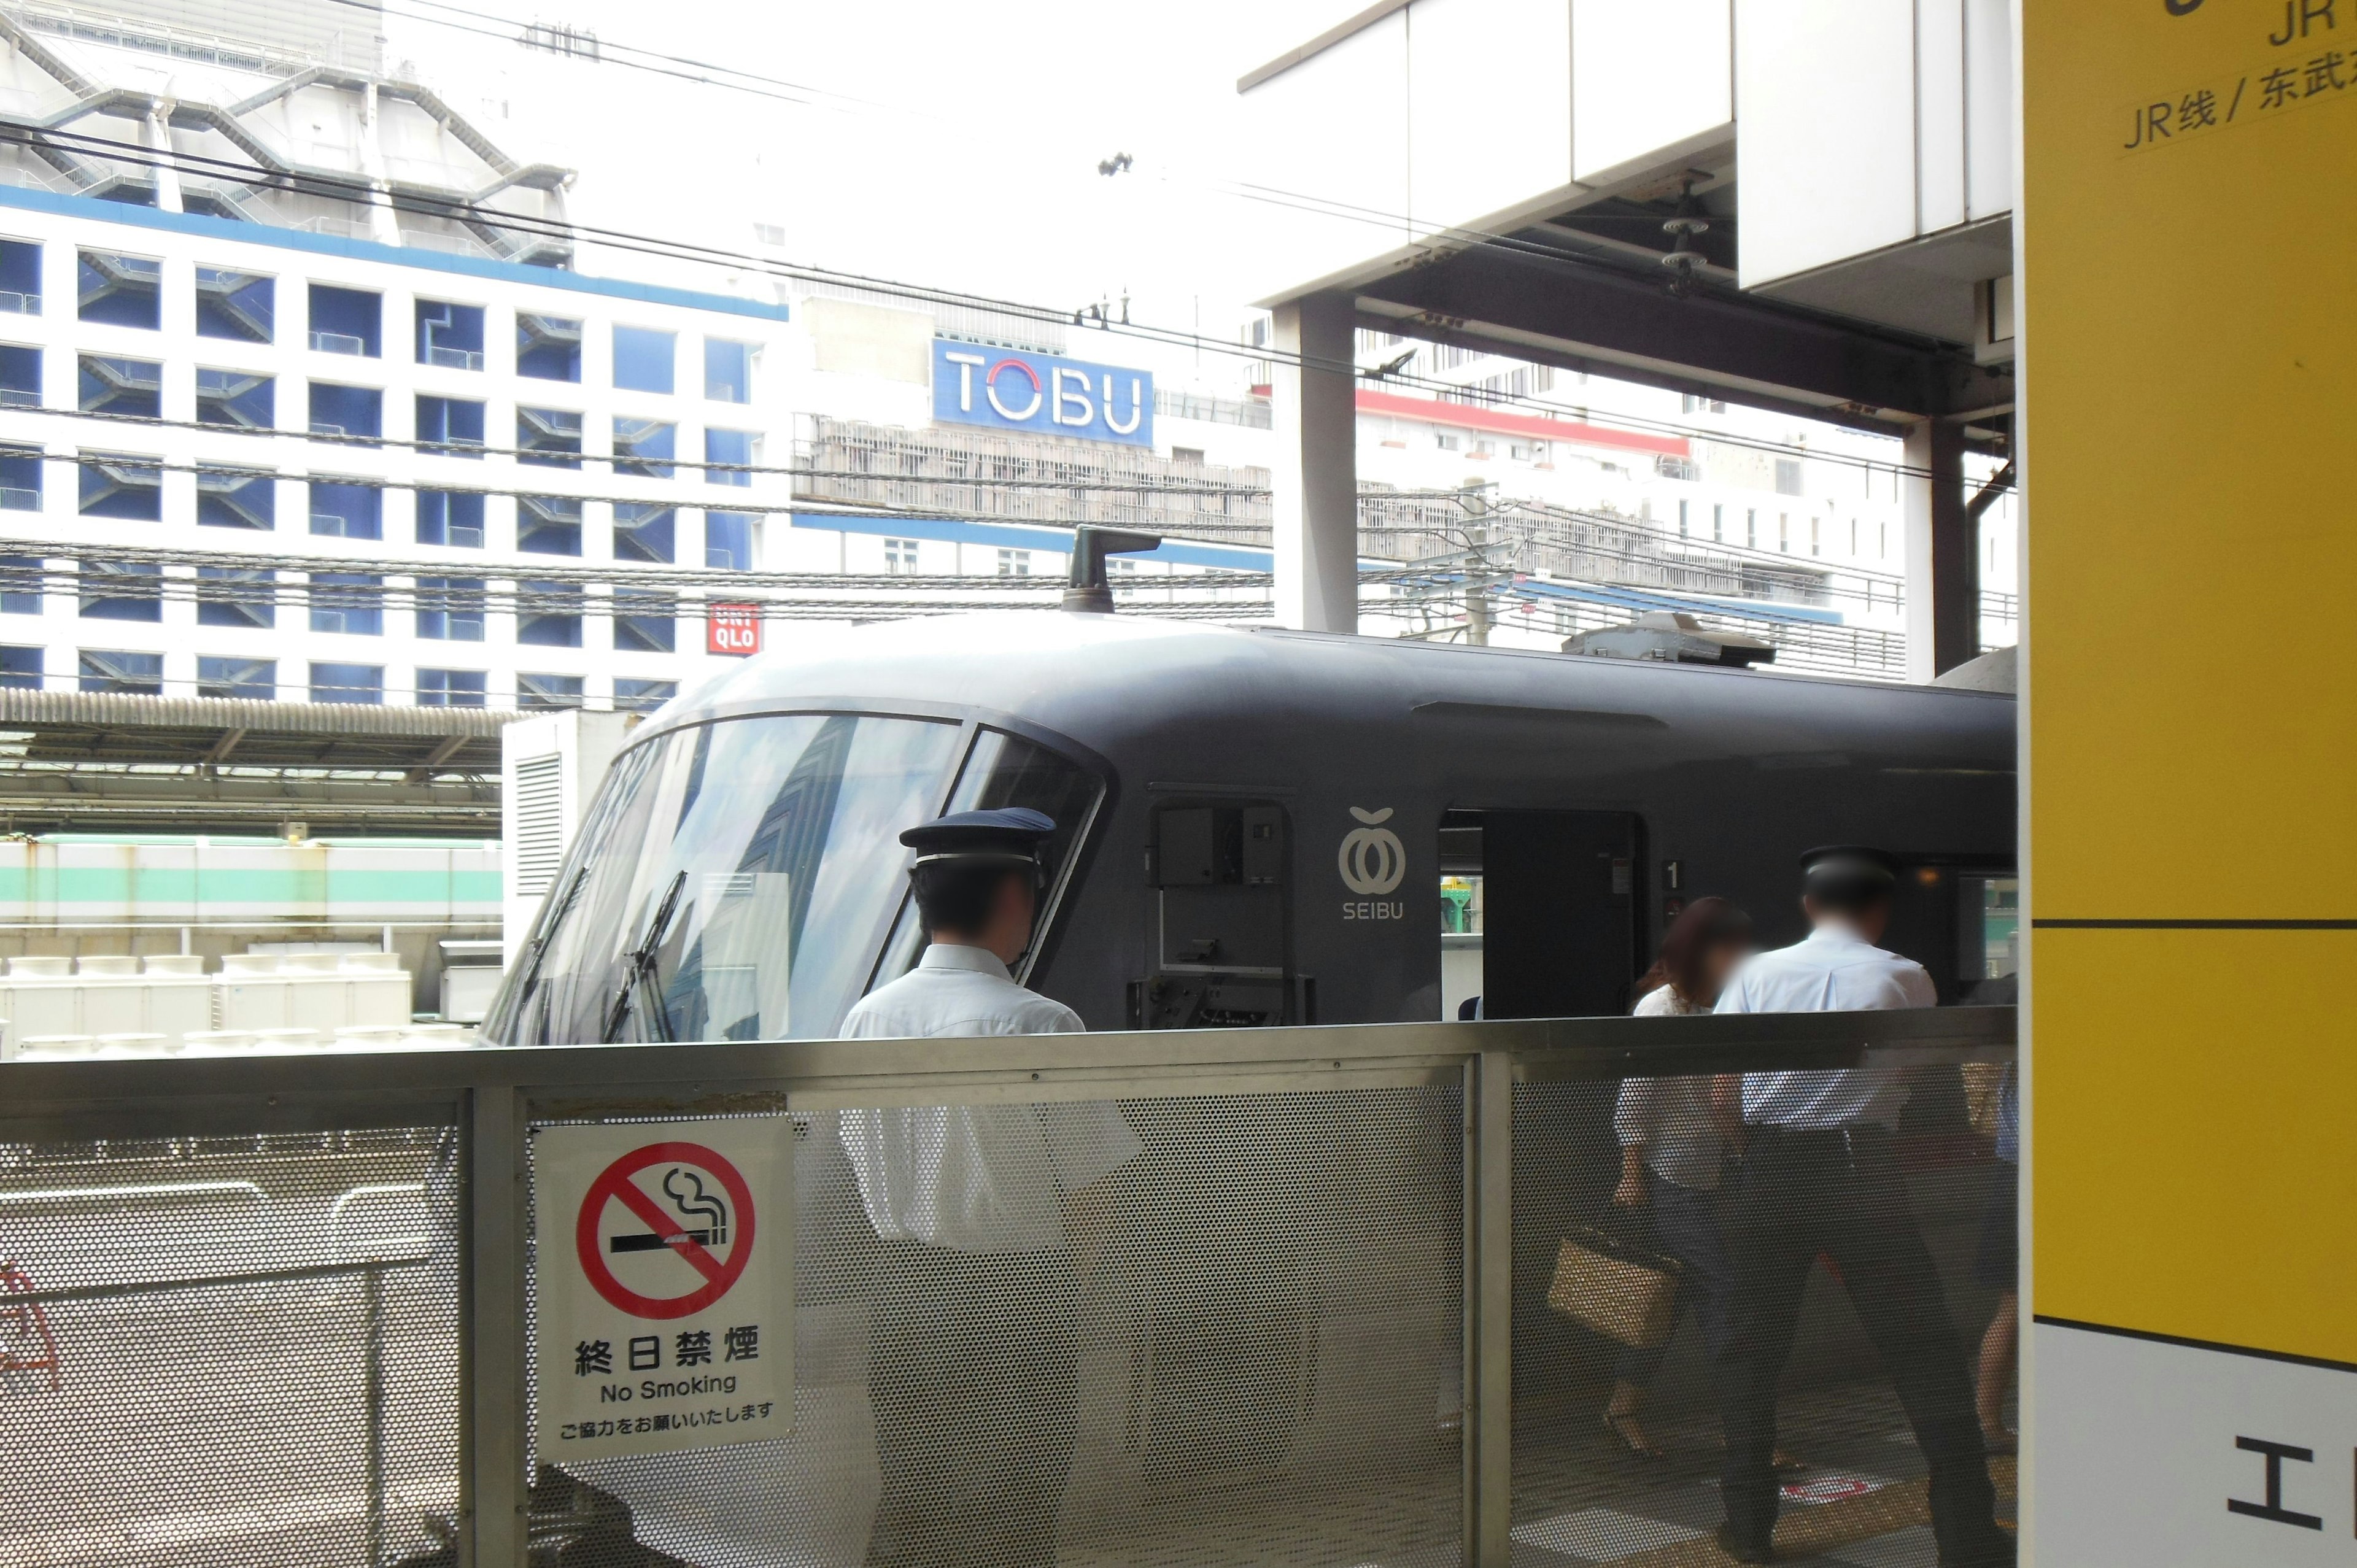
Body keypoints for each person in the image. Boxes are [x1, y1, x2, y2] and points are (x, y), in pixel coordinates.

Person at [838, 807, 1142, 1568]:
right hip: (1019, 1289)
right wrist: (1066, 1282)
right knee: (1017, 1502)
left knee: (913, 1494)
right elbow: (1092, 1186)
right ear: (1015, 897)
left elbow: (852, 1153)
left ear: (923, 901)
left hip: (902, 1289)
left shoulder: (867, 1020)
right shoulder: (1039, 1022)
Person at [1708, 847, 2011, 1567]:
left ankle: (1748, 1527)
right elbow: (1912, 1067)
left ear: (1810, 904)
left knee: (1750, 1349)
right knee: (1924, 1350)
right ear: (1879, 910)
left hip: (1774, 1165)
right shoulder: (1903, 974)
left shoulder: (1754, 973)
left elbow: (1722, 1091)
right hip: (1860, 1164)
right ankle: (1967, 1534)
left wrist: (1751, 1155)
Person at [1602, 895, 1754, 1460]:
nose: (1739, 958)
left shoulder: (1724, 1004)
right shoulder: (1660, 1011)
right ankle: (1743, 1433)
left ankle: (1623, 1409)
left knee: (1667, 1301)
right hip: (1671, 1176)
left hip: (1716, 1171)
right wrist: (1632, 1171)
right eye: (1728, 948)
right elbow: (1634, 1097)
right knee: (1724, 1292)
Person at [1973, 1057, 2020, 1455]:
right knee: (2015, 1309)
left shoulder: (2013, 1055)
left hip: (2013, 1175)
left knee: (2014, 1309)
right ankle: (1987, 1420)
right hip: (2029, 1179)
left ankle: (1988, 1419)